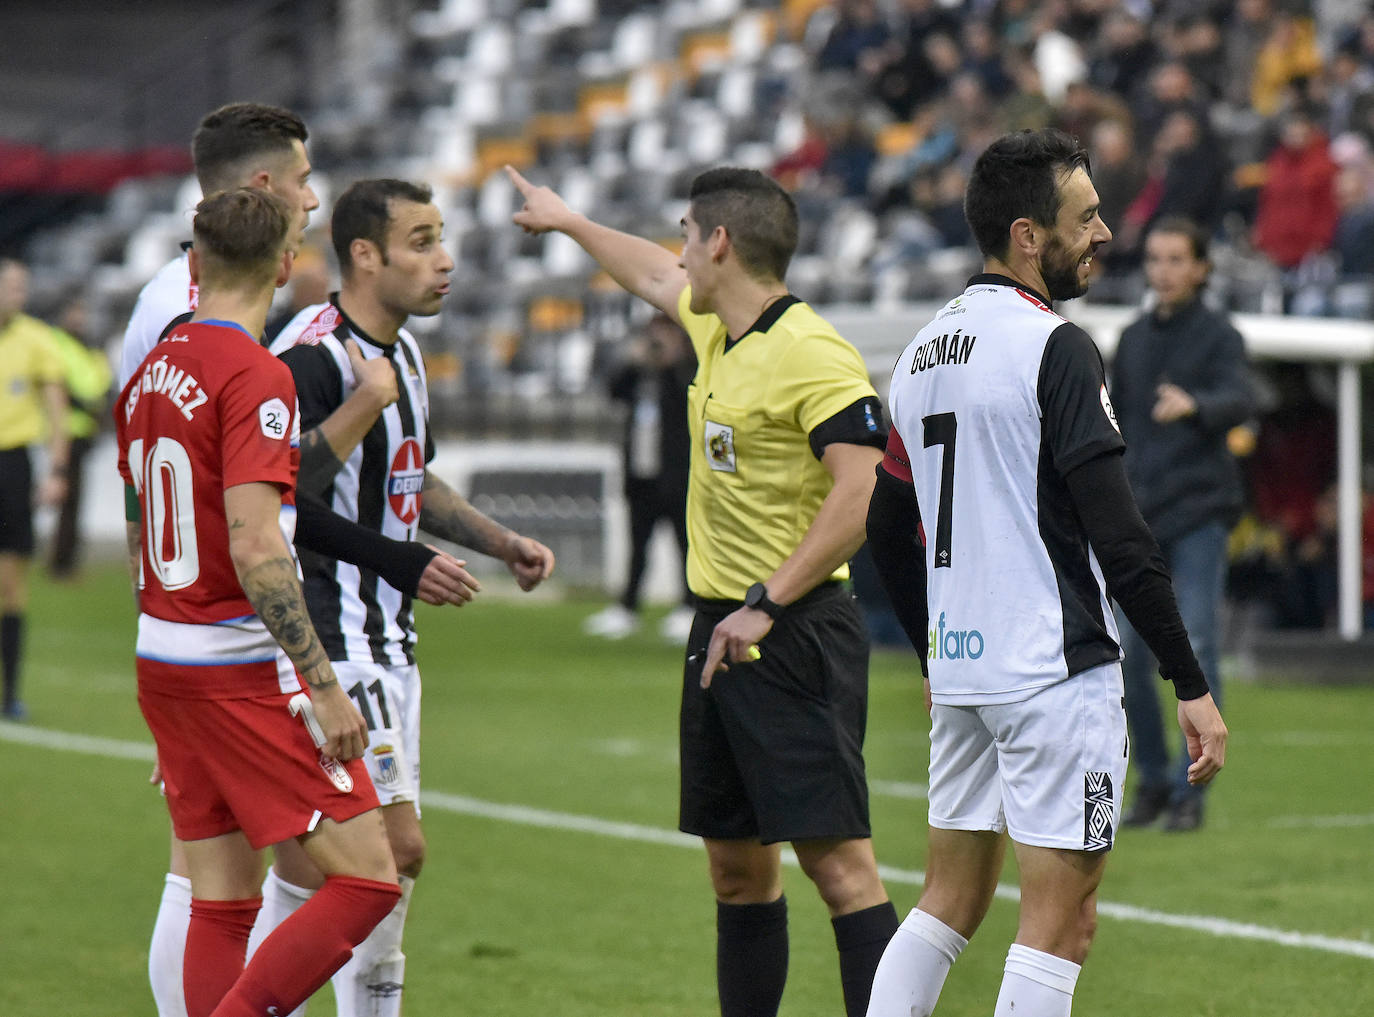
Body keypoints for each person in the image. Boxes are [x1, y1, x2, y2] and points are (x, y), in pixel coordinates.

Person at [508, 163, 898, 1017]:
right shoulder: (715, 324)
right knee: (736, 870)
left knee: (840, 868)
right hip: (721, 628)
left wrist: (768, 600)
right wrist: (570, 220)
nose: (676, 250)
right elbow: (650, 273)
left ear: (719, 242)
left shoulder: (811, 351)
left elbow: (863, 488)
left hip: (793, 629)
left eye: (686, 233)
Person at [863, 128, 1228, 1017]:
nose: (1105, 233)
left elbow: (884, 525)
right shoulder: (1053, 345)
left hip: (966, 673)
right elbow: (1121, 534)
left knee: (947, 901)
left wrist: (932, 655)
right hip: (1052, 673)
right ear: (1028, 235)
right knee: (1062, 924)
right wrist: (1190, 680)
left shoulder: (920, 352)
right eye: (1087, 216)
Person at [123, 103, 475, 1017]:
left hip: (163, 653)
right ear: (284, 266)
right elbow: (257, 542)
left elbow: (139, 518)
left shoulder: (156, 364)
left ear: (199, 261)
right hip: (237, 663)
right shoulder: (257, 373)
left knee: (223, 895)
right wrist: (321, 686)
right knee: (369, 876)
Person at [254, 177, 556, 1017]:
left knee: (320, 866)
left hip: (391, 645)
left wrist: (498, 540)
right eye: (422, 242)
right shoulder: (309, 356)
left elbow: (408, 478)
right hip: (330, 638)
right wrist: (399, 556)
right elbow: (280, 493)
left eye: (441, 238)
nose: (444, 260)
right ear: (364, 254)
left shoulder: (405, 354)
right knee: (393, 849)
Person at [1112, 217, 1253, 833]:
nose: (1163, 271)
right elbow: (1114, 423)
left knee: (1196, 642)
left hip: (1198, 514)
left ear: (1201, 268)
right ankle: (1152, 780)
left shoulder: (1221, 335)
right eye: (1155, 259)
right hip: (1142, 517)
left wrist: (1197, 406)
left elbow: (1243, 397)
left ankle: (1190, 790)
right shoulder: (1132, 338)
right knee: (1126, 653)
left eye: (1175, 259)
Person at [583, 312, 695, 642]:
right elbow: (614, 392)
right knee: (637, 547)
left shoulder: (687, 370)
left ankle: (688, 607)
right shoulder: (641, 376)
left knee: (685, 546)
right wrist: (635, 362)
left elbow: (689, 396)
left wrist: (674, 362)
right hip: (641, 477)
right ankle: (627, 607)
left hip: (678, 478)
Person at [0, 257, 69, 719]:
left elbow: (56, 411)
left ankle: (10, 693)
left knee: (11, 583)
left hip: (12, 466)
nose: (18, 295)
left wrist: (57, 469)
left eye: (23, 287)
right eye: (11, 286)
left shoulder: (37, 340)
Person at [45, 291, 113, 578]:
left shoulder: (88, 346)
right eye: (75, 312)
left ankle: (65, 559)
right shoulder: (57, 343)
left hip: (85, 430)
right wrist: (86, 403)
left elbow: (101, 381)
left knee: (74, 499)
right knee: (68, 498)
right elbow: (60, 383)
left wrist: (96, 404)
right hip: (66, 430)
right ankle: (61, 562)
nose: (79, 318)